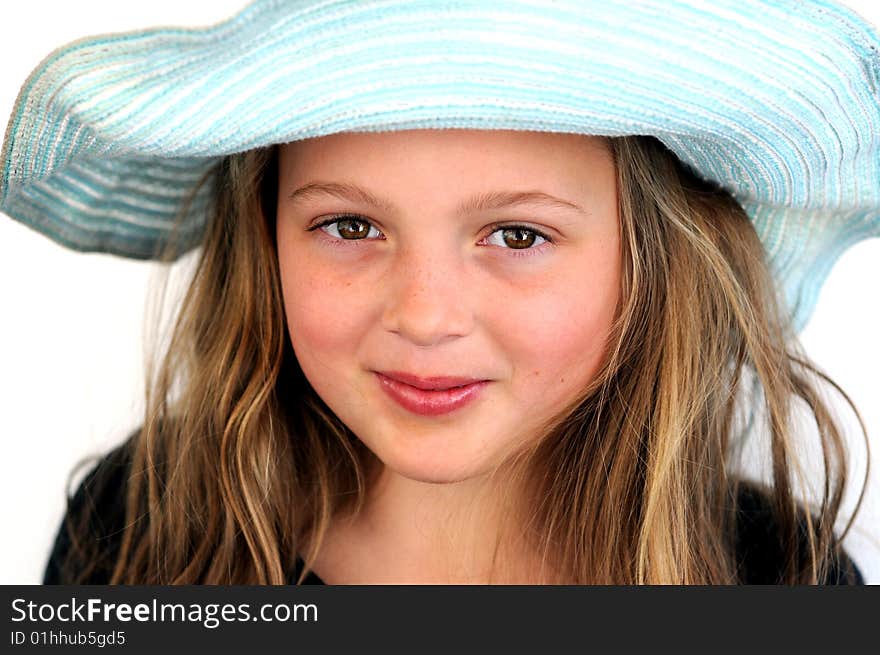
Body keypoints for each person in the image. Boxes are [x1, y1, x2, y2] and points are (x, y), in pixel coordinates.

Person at [2, 0, 877, 585]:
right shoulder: (147, 528)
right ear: (265, 234)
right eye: (350, 226)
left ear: (651, 259)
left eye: (517, 235)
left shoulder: (777, 580)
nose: (423, 316)